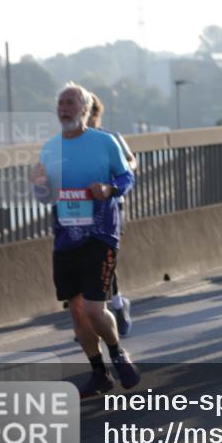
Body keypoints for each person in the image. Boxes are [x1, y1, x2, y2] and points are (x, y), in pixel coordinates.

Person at [31, 83, 140, 398]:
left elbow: (127, 176)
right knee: (77, 312)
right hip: (66, 239)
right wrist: (39, 185)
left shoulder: (105, 142)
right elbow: (45, 197)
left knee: (93, 309)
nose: (64, 108)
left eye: (70, 103)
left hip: (101, 235)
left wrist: (109, 190)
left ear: (85, 109)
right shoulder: (50, 148)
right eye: (61, 103)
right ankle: (99, 373)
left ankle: (118, 354)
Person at [87, 94, 137, 335]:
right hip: (85, 208)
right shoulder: (73, 142)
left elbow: (131, 162)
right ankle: (97, 314)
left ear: (95, 114)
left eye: (86, 113)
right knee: (86, 258)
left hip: (113, 205)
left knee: (105, 255)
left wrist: (114, 180)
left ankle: (116, 305)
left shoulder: (111, 137)